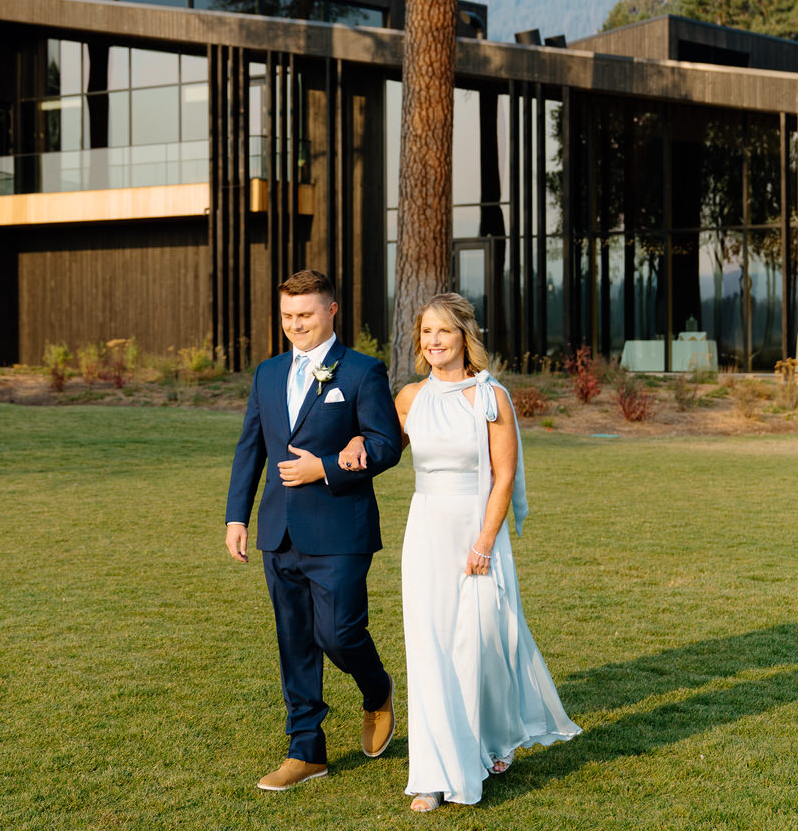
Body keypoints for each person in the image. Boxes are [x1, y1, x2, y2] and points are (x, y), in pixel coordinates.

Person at [345, 293, 579, 812]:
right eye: (426, 332)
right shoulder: (408, 398)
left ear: (463, 338)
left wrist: (484, 543)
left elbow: (504, 477)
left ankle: (491, 740)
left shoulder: (491, 397)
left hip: (476, 533)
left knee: (480, 646)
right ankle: (431, 776)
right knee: (428, 649)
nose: (433, 341)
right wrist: (358, 443)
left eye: (444, 332)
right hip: (426, 530)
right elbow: (385, 447)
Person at [224, 270, 403, 792]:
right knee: (295, 641)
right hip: (277, 532)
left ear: (331, 311)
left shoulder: (362, 372)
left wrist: (326, 466)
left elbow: (386, 443)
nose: (295, 325)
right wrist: (237, 517)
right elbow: (250, 448)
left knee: (338, 634)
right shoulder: (267, 372)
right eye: (286, 316)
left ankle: (377, 690)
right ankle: (306, 752)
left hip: (340, 530)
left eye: (305, 314)